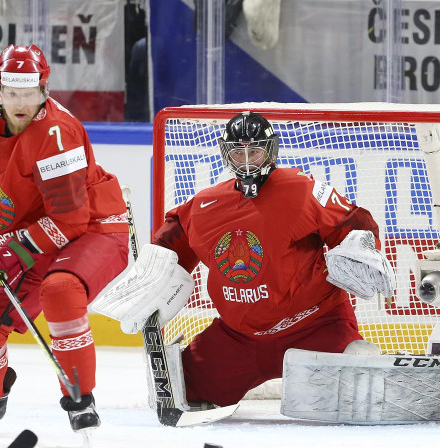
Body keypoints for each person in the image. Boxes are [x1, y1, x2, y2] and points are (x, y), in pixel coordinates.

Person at [95, 111, 394, 409]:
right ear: (227, 155)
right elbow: (173, 240)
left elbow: (352, 219)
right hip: (239, 339)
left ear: (271, 151)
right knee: (176, 391)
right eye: (239, 152)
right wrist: (152, 275)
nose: (248, 160)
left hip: (316, 327)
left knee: (358, 388)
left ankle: (347, 355)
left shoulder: (301, 189)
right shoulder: (205, 205)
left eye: (255, 151)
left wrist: (362, 243)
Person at [0, 44, 130, 435]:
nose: (21, 103)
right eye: (11, 93)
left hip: (93, 228)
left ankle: (80, 399)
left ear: (44, 91)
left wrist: (15, 252)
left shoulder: (57, 135)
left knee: (60, 290)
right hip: (34, 234)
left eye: (30, 93)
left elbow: (70, 220)